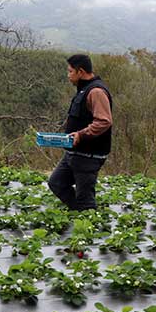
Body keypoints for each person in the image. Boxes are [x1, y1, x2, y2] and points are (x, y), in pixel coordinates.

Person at [47, 54, 113, 211]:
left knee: (85, 199)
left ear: (81, 71)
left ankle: (89, 226)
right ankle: (78, 213)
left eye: (70, 71)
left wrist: (81, 134)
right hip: (74, 153)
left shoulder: (96, 92)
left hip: (88, 156)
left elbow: (104, 121)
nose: (68, 75)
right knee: (56, 183)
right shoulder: (83, 90)